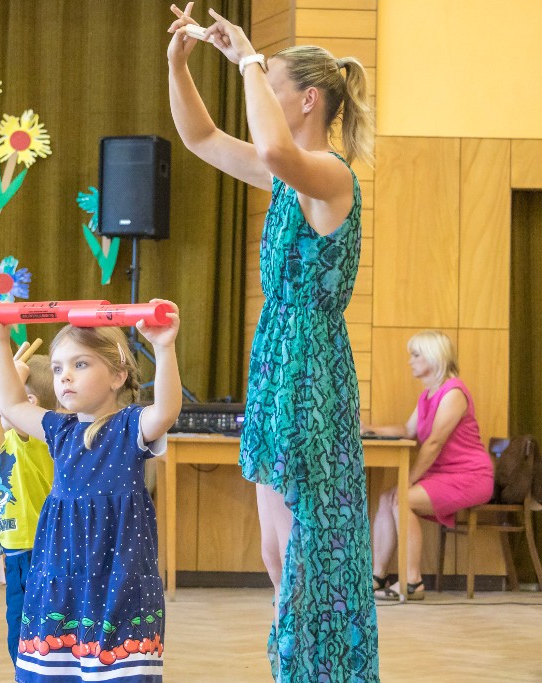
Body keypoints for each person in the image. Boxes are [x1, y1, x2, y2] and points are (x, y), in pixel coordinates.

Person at [166, 3, 378, 679]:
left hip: (310, 369)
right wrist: (178, 65)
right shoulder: (284, 177)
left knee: (303, 544)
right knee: (275, 550)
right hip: (276, 358)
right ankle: (297, 665)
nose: (258, 89)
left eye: (271, 83)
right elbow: (201, 137)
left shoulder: (330, 175)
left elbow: (278, 150)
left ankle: (314, 669)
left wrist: (250, 59)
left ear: (307, 99)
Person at [0, 299, 181, 683]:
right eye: (58, 368)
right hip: (62, 570)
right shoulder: (60, 430)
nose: (65, 377)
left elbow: (167, 410)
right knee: (57, 666)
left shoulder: (130, 426)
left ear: (117, 375)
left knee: (116, 669)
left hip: (117, 575)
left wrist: (164, 347)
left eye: (80, 364)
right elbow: (10, 403)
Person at [364, 331, 494, 600]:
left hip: (470, 476)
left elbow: (434, 443)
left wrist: (409, 480)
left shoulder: (454, 392)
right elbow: (407, 430)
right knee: (387, 497)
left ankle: (412, 582)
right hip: (444, 475)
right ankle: (377, 577)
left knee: (402, 499)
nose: (410, 361)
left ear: (435, 358)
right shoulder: (427, 396)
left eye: (415, 355)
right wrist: (369, 429)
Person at [0, 353, 55, 667]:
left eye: (2, 397)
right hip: (17, 552)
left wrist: (12, 375)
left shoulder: (31, 438)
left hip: (32, 552)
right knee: (19, 626)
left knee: (27, 629)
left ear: (27, 404)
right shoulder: (14, 440)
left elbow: (12, 409)